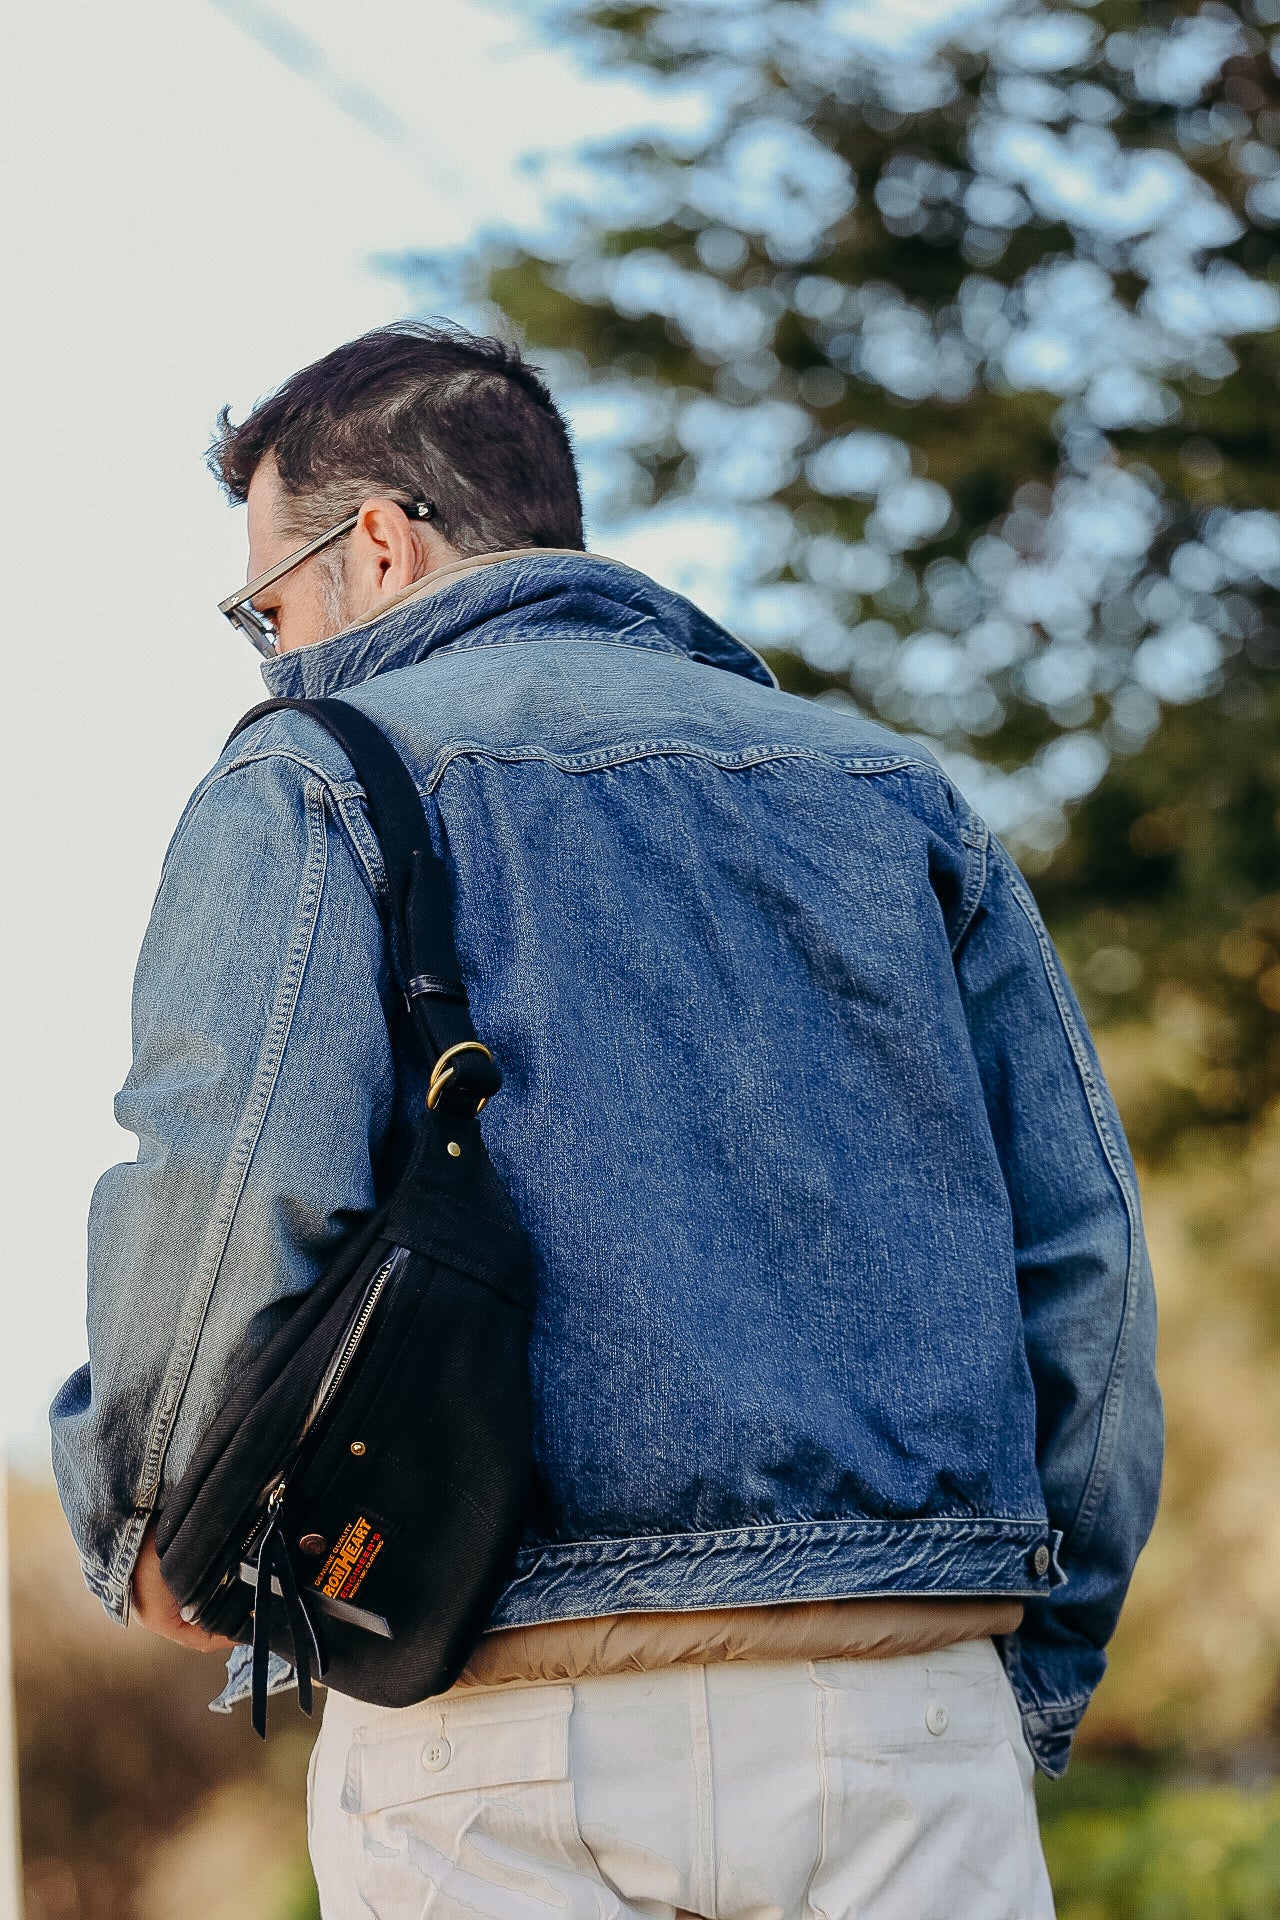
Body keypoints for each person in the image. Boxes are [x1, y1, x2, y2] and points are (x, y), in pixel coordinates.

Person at [52, 321, 1161, 1919]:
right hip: (909, 1713)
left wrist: (147, 1520)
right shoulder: (893, 793)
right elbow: (1085, 1260)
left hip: (488, 1725)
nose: (275, 653)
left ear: (378, 542)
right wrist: (1032, 1659)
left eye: (267, 607)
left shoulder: (317, 774)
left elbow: (220, 1187)